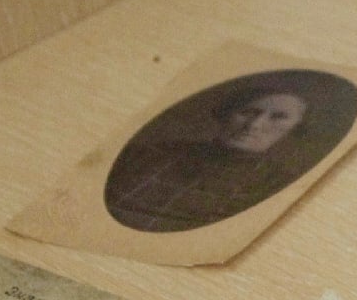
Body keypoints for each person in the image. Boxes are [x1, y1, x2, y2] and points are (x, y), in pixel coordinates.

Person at [105, 86, 312, 232]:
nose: (254, 125)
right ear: (226, 114)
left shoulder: (278, 184)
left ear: (295, 128)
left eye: (278, 117)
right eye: (248, 112)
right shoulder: (147, 153)